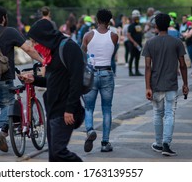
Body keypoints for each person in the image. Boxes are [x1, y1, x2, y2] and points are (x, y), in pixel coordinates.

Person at [0, 6, 43, 155]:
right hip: (5, 77)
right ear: (4, 18)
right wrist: (42, 60)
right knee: (8, 105)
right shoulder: (10, 32)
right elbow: (28, 49)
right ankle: (1, 131)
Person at [21, 18, 84, 161]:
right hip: (52, 109)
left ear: (45, 37)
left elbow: (76, 81)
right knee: (53, 157)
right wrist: (34, 79)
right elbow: (53, 81)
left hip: (64, 110)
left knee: (58, 152)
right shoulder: (52, 52)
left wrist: (70, 109)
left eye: (35, 41)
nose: (34, 46)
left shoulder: (69, 48)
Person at [142, 13, 189, 156]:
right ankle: (166, 143)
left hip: (155, 84)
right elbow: (182, 65)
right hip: (171, 84)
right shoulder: (176, 42)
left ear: (156, 26)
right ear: (169, 25)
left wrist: (148, 87)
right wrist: (185, 84)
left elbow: (148, 67)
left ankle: (158, 143)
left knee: (157, 113)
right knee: (170, 114)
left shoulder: (150, 43)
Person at [81, 9, 118, 153]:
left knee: (89, 107)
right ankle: (105, 142)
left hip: (91, 74)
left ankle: (90, 130)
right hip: (107, 73)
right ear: (110, 21)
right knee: (107, 109)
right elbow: (111, 51)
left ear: (97, 20)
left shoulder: (88, 35)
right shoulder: (114, 36)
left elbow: (82, 53)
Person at [127, 10, 143, 76]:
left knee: (137, 57)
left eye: (138, 17)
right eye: (136, 17)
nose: (138, 18)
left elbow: (139, 33)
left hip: (139, 44)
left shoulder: (139, 25)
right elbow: (128, 35)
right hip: (133, 44)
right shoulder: (131, 26)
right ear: (133, 18)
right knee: (132, 57)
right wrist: (134, 42)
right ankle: (130, 71)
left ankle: (137, 71)